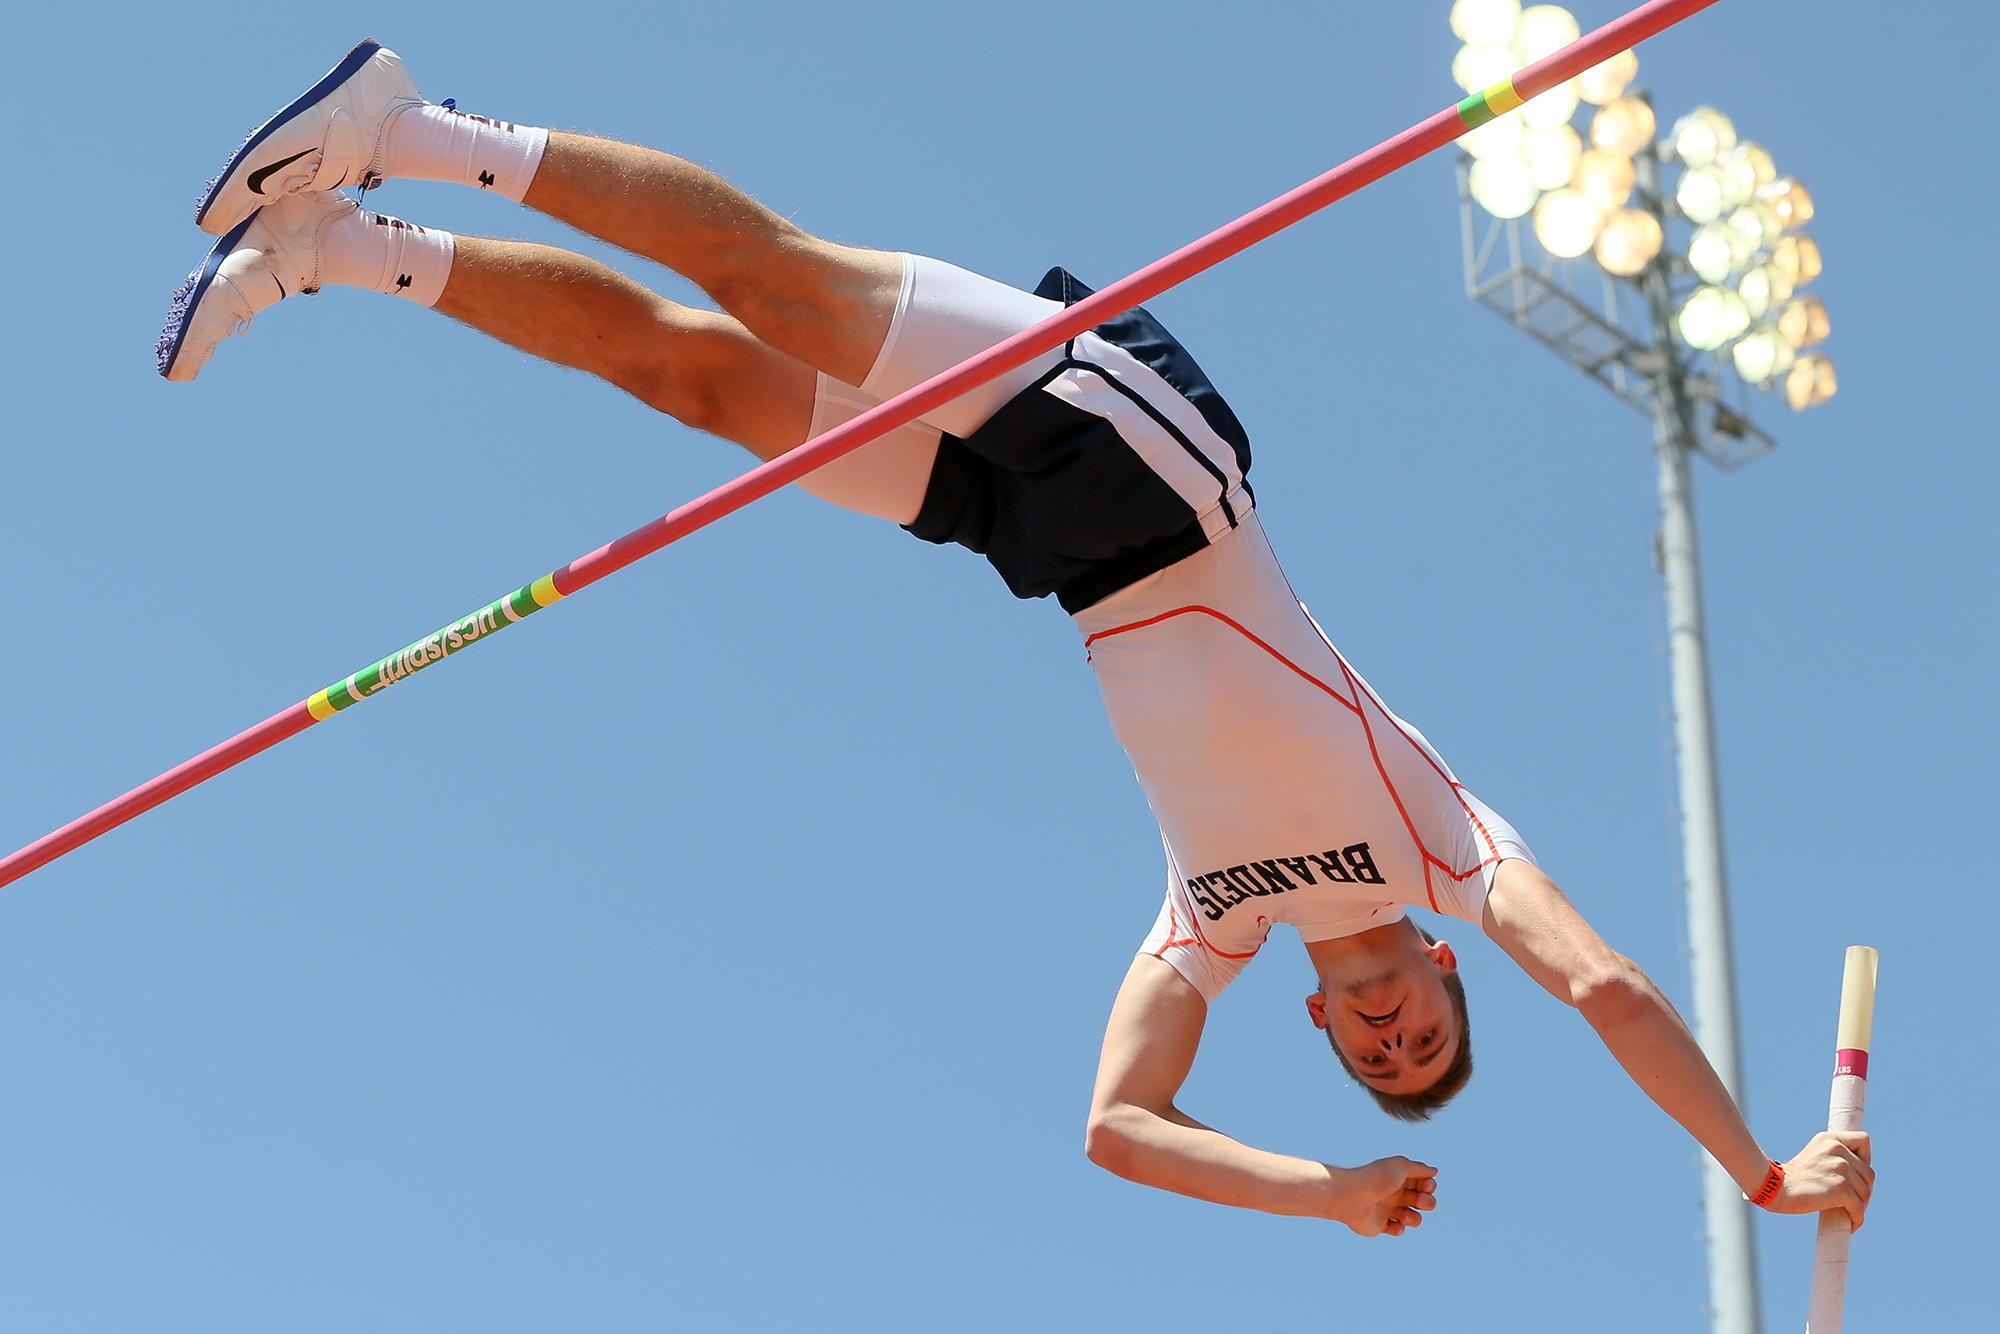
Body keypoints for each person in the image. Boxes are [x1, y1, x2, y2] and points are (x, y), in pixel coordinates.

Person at [162, 40, 1875, 1239]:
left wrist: (1330, 1189)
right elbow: (1614, 988)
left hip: (1033, 549)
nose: (1397, 1047)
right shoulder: (1447, 845)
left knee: (689, 377)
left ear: (1329, 1035)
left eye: (1377, 1067)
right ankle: (414, 127)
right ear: (1437, 973)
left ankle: (340, 249)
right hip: (1160, 474)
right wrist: (1752, 1166)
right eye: (1425, 1035)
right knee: (782, 283)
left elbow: (1117, 1131)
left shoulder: (1218, 925)